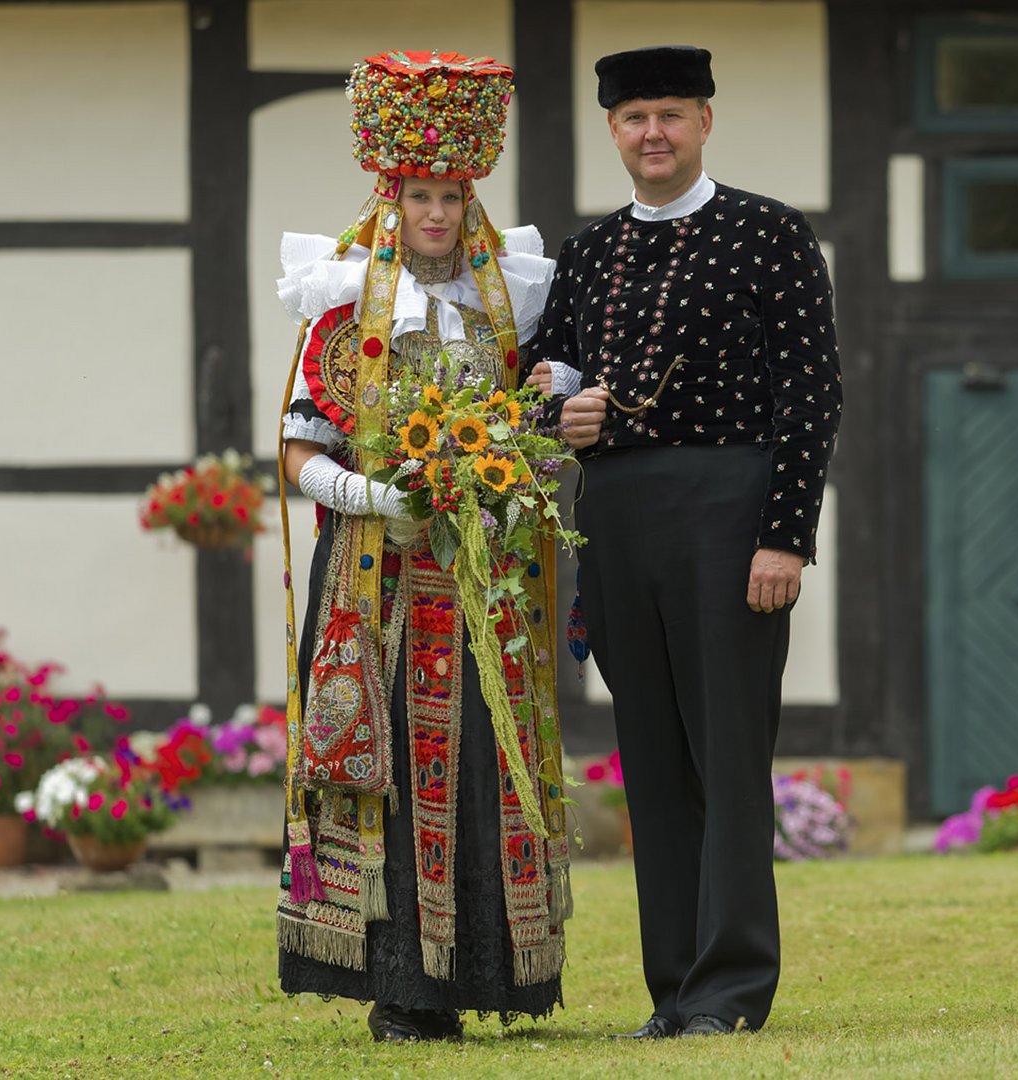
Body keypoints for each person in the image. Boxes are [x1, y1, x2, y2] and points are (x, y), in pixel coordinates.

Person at [528, 45, 842, 1037]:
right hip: (615, 523)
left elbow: (812, 392)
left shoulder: (768, 234)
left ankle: (733, 986)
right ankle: (675, 990)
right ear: (612, 131)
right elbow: (538, 384)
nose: (652, 132)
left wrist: (784, 537)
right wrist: (555, 411)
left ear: (705, 121)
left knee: (727, 753)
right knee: (651, 758)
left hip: (727, 510)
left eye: (670, 113)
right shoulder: (586, 252)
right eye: (633, 118)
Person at [274, 50, 570, 1044]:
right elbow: (297, 451)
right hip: (379, 574)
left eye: (450, 195)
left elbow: (528, 426)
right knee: (392, 761)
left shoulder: (508, 309)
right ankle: (403, 985)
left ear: (468, 200)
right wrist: (373, 494)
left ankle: (491, 966)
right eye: (417, 195)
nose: (435, 213)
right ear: (387, 200)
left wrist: (506, 482)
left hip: (482, 572)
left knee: (485, 756)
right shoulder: (347, 305)